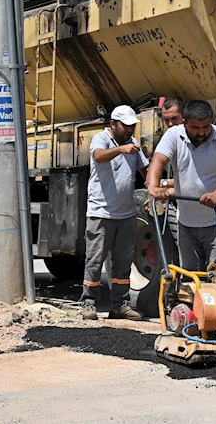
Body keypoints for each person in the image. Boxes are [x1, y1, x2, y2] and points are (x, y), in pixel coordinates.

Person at [146, 100, 216, 271]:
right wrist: (154, 187)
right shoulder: (173, 135)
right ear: (185, 122)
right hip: (186, 224)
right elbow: (158, 160)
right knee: (189, 276)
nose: (201, 132)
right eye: (195, 128)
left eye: (206, 127)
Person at [80, 105, 148, 321]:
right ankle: (88, 303)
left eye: (132, 126)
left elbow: (145, 170)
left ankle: (120, 304)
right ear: (113, 124)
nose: (129, 130)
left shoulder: (133, 144)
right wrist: (120, 150)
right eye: (125, 126)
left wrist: (154, 187)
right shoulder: (101, 139)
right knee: (94, 260)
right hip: (101, 212)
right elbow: (99, 156)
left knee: (123, 262)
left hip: (126, 214)